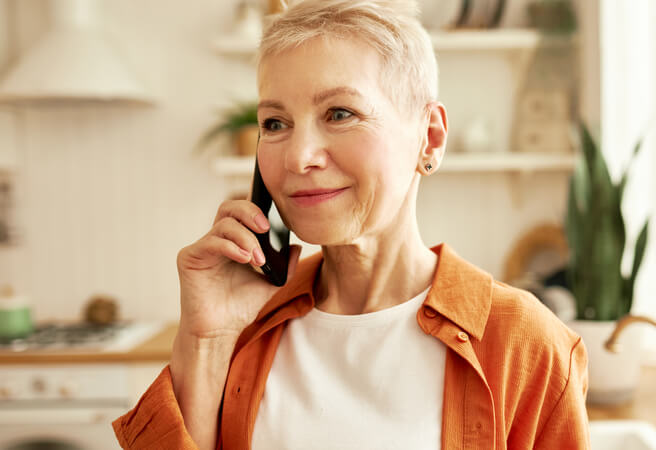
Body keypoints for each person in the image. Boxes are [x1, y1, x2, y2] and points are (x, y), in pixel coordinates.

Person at [112, 1, 589, 448]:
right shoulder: (241, 325)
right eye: (275, 123)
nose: (298, 158)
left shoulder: (529, 347)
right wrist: (206, 340)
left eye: (340, 113)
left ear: (430, 138)